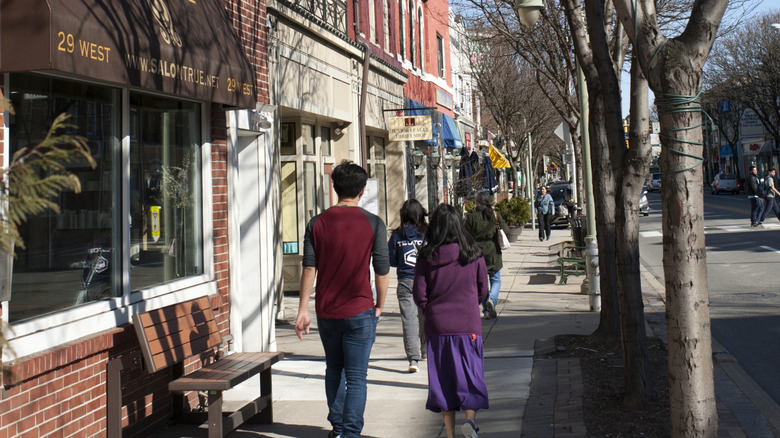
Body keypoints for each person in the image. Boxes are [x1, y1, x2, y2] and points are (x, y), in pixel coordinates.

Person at [294, 160, 390, 438]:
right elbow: (382, 269)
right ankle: (350, 433)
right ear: (362, 191)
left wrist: (303, 309)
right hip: (360, 309)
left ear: (334, 188)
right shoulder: (373, 223)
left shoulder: (317, 223)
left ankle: (338, 428)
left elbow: (309, 267)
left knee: (334, 369)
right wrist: (380, 304)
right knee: (357, 377)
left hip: (326, 310)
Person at [412, 204, 489, 438]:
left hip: (438, 327)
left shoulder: (426, 256)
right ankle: (471, 422)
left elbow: (419, 294)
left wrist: (432, 311)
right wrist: (469, 305)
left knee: (443, 380)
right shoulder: (473, 253)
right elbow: (483, 289)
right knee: (471, 375)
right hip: (468, 325)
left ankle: (450, 434)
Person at [388, 199, 428, 372]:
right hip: (426, 280)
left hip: (405, 280)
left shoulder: (397, 234)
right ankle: (427, 351)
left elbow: (392, 260)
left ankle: (413, 358)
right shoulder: (428, 233)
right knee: (426, 317)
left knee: (409, 320)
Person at [465, 190, 509, 320]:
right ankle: (492, 299)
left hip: (477, 252)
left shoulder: (472, 217)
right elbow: (506, 230)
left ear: (477, 202)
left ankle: (486, 310)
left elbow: (465, 234)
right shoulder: (495, 215)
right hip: (493, 250)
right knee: (495, 279)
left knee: (482, 282)